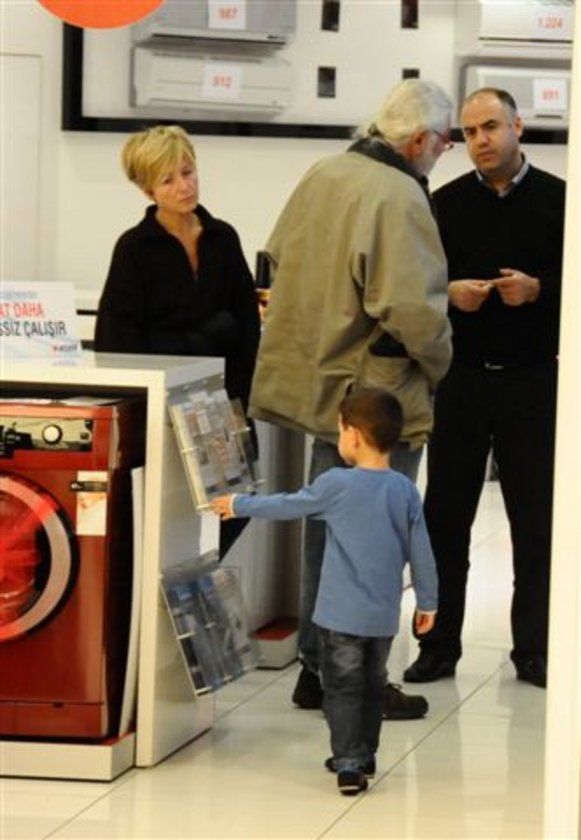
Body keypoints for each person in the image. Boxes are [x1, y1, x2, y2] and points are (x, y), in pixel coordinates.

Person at [249, 79, 454, 719]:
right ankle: (356, 680)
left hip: (326, 387)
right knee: (376, 543)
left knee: (327, 528)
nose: (443, 152)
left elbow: (277, 258)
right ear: (418, 140)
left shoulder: (324, 173)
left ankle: (316, 669)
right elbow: (412, 309)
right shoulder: (399, 193)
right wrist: (441, 361)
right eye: (445, 141)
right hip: (381, 394)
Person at [403, 88, 566, 689]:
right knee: (445, 520)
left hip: (534, 380)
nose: (481, 140)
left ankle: (535, 649)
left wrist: (539, 290)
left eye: (491, 126)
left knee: (536, 523)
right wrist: (450, 294)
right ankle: (437, 645)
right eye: (469, 132)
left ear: (518, 126)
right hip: (462, 379)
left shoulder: (560, 201)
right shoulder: (442, 204)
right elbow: (418, 285)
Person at [211, 388, 438, 795]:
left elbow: (288, 505)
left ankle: (348, 763)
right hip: (382, 617)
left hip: (339, 616)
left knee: (342, 688)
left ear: (353, 435)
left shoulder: (336, 484)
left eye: (340, 430)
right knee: (372, 685)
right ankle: (364, 754)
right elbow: (422, 551)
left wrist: (239, 504)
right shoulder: (404, 490)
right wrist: (428, 602)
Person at [94, 125, 261, 558]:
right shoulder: (134, 248)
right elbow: (116, 341)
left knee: (237, 506)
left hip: (220, 400)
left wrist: (237, 402)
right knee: (165, 514)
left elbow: (247, 326)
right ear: (147, 189)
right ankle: (167, 586)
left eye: (188, 172)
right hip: (162, 404)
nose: (184, 186)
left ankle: (200, 578)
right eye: (168, 180)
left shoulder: (223, 237)